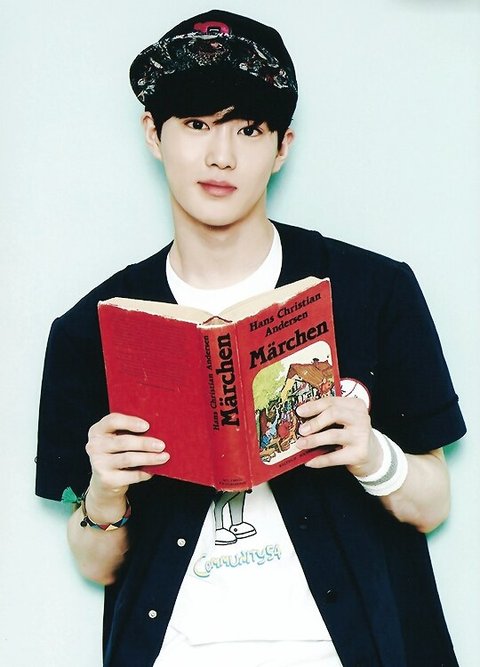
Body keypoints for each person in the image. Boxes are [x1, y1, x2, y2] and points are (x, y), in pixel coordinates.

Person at [35, 9, 466, 667]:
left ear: (282, 146)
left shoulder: (373, 291)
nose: (222, 156)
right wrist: (105, 492)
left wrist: (371, 454)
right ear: (153, 133)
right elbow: (97, 565)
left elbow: (433, 503)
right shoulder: (91, 328)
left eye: (248, 129)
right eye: (196, 124)